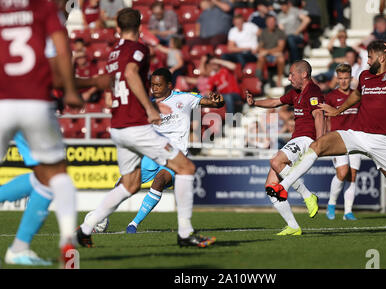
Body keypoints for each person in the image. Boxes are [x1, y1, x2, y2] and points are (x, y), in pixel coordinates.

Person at [76, 8, 216, 248]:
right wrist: (149, 108)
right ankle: (185, 233)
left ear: (117, 29)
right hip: (135, 123)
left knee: (129, 184)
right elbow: (131, 73)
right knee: (186, 167)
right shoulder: (138, 49)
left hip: (118, 124)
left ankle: (86, 227)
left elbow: (112, 81)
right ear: (140, 27)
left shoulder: (112, 54)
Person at [267, 40, 386, 238]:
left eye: (370, 57)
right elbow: (356, 95)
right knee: (317, 145)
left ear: (382, 57)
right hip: (357, 133)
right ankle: (284, 188)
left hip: (381, 140)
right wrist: (337, 111)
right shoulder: (365, 76)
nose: (367, 61)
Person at [0, 0, 84, 265]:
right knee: (56, 174)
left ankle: (21, 248)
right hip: (35, 102)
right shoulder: (42, 8)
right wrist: (74, 88)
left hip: (2, 102)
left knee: (43, 177)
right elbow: (60, 54)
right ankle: (66, 241)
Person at [125, 68, 224, 233]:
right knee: (127, 183)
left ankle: (133, 224)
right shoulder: (147, 104)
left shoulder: (184, 98)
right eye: (152, 85)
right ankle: (98, 218)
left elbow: (213, 103)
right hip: (153, 153)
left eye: (158, 85)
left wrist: (218, 101)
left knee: (159, 181)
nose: (154, 88)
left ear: (169, 85)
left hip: (175, 156)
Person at [246, 60, 325, 236]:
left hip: (306, 139)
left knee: (275, 160)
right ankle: (293, 226)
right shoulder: (295, 93)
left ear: (304, 74)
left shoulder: (313, 91)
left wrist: (319, 143)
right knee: (271, 186)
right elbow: (275, 102)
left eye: (291, 74)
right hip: (297, 139)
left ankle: (307, 195)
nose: (289, 78)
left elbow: (318, 114)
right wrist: (254, 103)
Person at [324, 64, 361, 221]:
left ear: (351, 78)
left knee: (352, 175)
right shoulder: (331, 97)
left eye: (346, 78)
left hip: (356, 139)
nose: (343, 81)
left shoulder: (357, 95)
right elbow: (325, 118)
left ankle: (348, 211)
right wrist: (326, 137)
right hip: (338, 139)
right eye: (340, 79)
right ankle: (331, 204)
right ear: (337, 78)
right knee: (342, 172)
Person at [256, 15, 286, 87]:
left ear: (275, 22)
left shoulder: (280, 32)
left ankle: (279, 79)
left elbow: (280, 48)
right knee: (260, 58)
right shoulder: (263, 32)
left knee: (281, 59)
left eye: (273, 22)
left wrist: (267, 51)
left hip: (275, 54)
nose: (271, 23)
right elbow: (260, 47)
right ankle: (258, 79)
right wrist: (265, 52)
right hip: (268, 55)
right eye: (269, 22)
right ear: (266, 23)